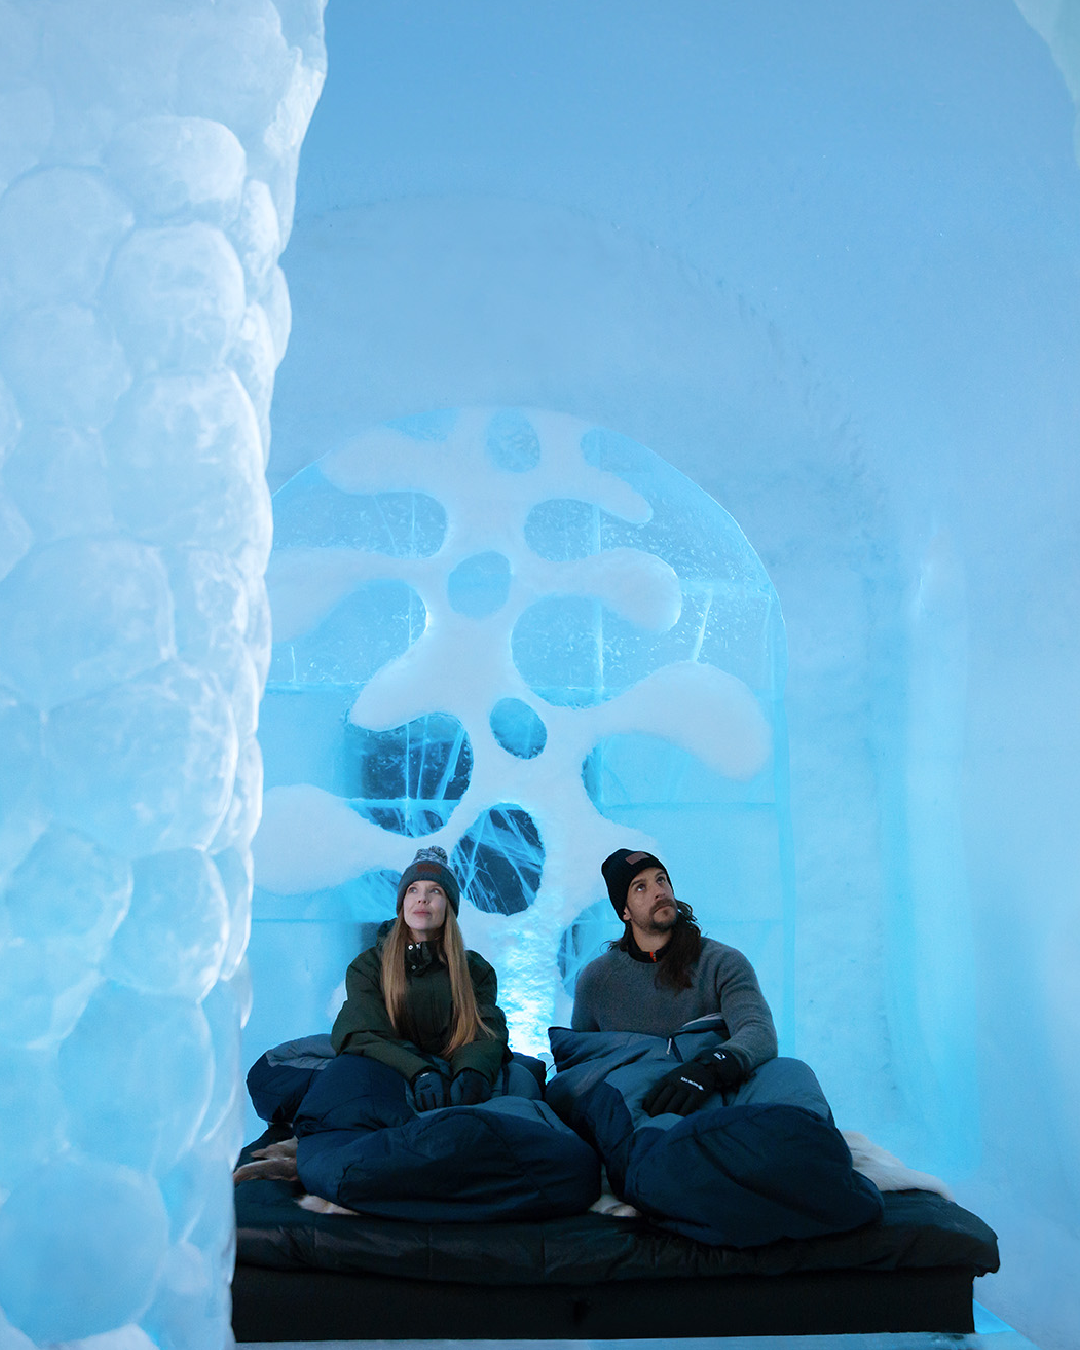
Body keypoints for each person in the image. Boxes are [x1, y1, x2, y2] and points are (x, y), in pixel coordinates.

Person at [573, 847, 820, 1119]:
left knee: (792, 1073)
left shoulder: (721, 962)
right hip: (644, 1108)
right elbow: (579, 1061)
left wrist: (710, 1067)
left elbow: (758, 1031)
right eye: (640, 887)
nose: (659, 892)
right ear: (624, 912)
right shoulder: (597, 980)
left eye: (661, 879)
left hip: (722, 1093)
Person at [331, 845, 509, 1111]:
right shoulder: (367, 967)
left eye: (435, 891)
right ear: (402, 903)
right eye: (413, 890)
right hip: (389, 1078)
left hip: (453, 1078)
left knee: (520, 1078)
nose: (422, 899)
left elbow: (486, 1031)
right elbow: (360, 1033)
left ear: (449, 906)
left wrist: (473, 1071)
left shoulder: (476, 970)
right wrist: (420, 1071)